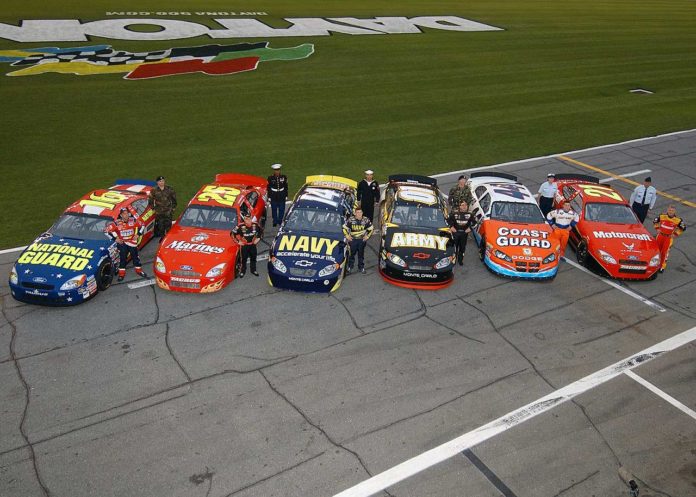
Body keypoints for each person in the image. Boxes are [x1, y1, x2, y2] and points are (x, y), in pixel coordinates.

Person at [106, 207, 147, 281]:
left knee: (135, 257)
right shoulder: (116, 223)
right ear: (121, 215)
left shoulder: (133, 220)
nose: (126, 215)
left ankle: (139, 270)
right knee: (122, 259)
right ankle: (121, 274)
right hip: (122, 243)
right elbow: (106, 231)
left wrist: (138, 234)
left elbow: (143, 225)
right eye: (124, 214)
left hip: (132, 242)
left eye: (127, 213)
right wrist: (115, 239)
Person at [653, 205, 686, 272]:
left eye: (672, 211)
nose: (670, 212)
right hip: (660, 236)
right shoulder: (662, 216)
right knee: (656, 251)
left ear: (675, 212)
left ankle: (662, 266)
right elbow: (655, 221)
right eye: (669, 210)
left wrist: (675, 234)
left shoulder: (678, 220)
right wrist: (657, 228)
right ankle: (654, 264)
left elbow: (683, 228)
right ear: (667, 210)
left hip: (668, 238)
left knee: (664, 253)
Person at [343, 206, 374, 273]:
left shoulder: (366, 220)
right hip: (353, 240)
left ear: (362, 213)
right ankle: (350, 266)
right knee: (351, 254)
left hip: (361, 240)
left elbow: (371, 229)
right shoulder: (351, 219)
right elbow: (344, 228)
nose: (359, 214)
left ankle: (361, 267)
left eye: (360, 212)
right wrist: (347, 236)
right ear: (355, 213)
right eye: (357, 212)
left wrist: (367, 236)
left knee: (361, 255)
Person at [148, 175, 177, 241]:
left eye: (163, 181)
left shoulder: (169, 189)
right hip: (159, 212)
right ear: (157, 182)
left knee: (168, 226)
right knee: (160, 226)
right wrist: (153, 209)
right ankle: (162, 238)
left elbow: (174, 199)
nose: (162, 182)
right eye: (160, 181)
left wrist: (173, 208)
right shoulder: (154, 190)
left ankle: (168, 238)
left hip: (168, 211)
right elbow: (150, 200)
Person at [447, 200, 476, 265]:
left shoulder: (470, 214)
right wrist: (451, 227)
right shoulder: (454, 213)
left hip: (464, 234)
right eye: (462, 205)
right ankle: (453, 260)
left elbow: (475, 222)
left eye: (466, 205)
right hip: (455, 233)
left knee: (462, 248)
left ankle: (460, 260)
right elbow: (447, 220)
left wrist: (470, 228)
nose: (464, 206)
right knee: (454, 247)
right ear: (459, 206)